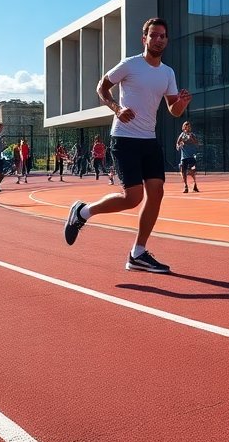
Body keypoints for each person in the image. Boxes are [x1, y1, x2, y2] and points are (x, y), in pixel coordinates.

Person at [64, 17, 191, 273]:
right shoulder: (130, 65)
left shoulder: (168, 73)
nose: (158, 39)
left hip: (149, 141)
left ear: (167, 40)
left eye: (162, 36)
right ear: (144, 39)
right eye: (153, 35)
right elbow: (102, 86)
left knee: (156, 193)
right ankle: (83, 212)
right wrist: (116, 108)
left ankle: (138, 253)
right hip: (124, 138)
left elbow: (173, 110)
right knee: (132, 198)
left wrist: (182, 104)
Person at [176, 122, 200, 194]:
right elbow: (177, 144)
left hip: (192, 157)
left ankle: (194, 184)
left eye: (189, 126)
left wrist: (191, 140)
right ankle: (186, 186)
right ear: (183, 128)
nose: (188, 128)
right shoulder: (182, 135)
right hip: (184, 158)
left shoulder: (192, 135)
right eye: (186, 126)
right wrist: (179, 145)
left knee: (191, 172)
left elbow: (197, 143)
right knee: (183, 172)